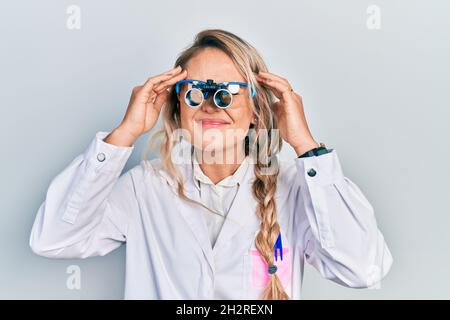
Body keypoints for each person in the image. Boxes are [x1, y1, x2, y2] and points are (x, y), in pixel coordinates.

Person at [29, 29, 393, 300]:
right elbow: (53, 240)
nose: (211, 105)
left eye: (229, 93)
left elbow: (362, 268)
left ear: (256, 109)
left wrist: (306, 146)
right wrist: (125, 132)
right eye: (196, 92)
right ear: (176, 107)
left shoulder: (296, 189)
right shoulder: (146, 188)